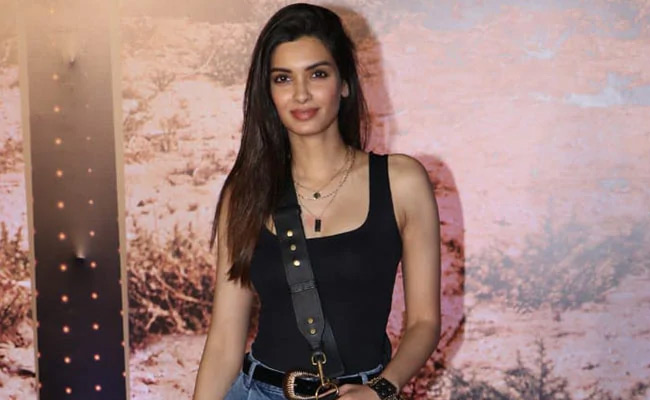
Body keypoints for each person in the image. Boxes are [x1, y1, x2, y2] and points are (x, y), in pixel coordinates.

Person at [192, 3, 440, 400]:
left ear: (344, 83)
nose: (301, 93)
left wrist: (379, 389)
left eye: (317, 73)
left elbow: (424, 323)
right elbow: (223, 341)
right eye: (283, 78)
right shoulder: (246, 192)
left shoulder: (402, 182)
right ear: (269, 92)